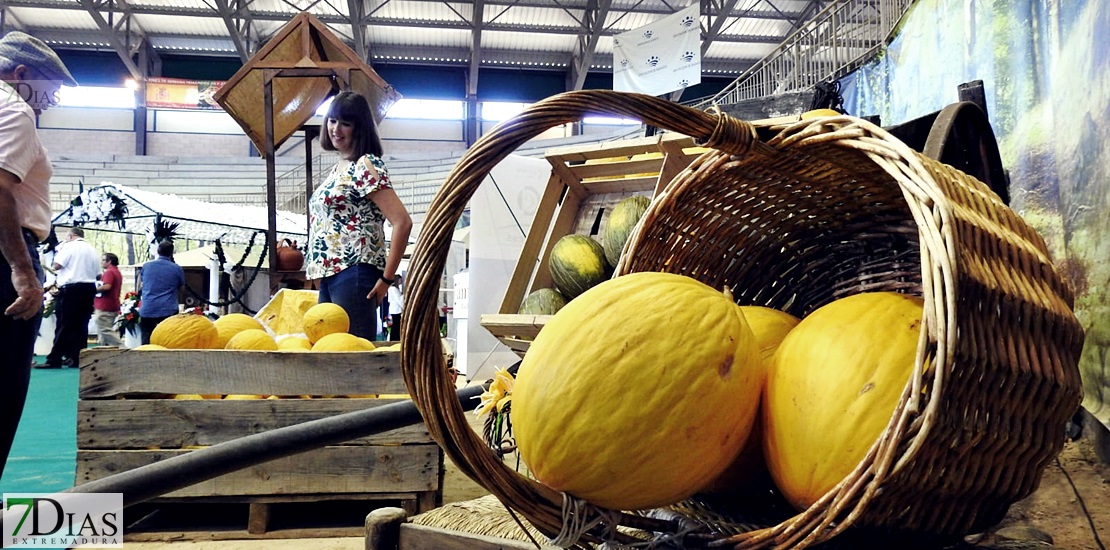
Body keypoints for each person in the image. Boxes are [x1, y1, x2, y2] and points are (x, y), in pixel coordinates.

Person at [0, 31, 76, 475]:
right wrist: (23, 272)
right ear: (22, 74)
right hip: (5, 253)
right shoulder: (14, 108)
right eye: (53, 88)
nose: (53, 100)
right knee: (5, 381)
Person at [305, 91, 412, 340]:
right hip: (332, 274)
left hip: (354, 270)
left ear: (359, 127)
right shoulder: (339, 167)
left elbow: (402, 222)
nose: (336, 128)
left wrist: (387, 278)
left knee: (352, 352)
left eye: (346, 123)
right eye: (332, 120)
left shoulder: (365, 165)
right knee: (330, 351)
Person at [44, 226, 100, 368]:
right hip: (88, 288)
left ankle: (54, 358)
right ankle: (77, 357)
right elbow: (98, 274)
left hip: (72, 288)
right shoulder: (92, 250)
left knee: (65, 323)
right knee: (81, 324)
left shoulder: (69, 247)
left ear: (70, 236)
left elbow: (57, 265)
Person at [139, 240, 185, 344]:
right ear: (171, 253)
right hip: (168, 309)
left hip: (148, 308)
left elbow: (141, 285)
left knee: (146, 340)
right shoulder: (176, 268)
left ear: (158, 251)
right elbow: (182, 288)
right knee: (168, 341)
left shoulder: (146, 266)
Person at [93, 252, 123, 346]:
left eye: (103, 260)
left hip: (105, 306)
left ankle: (121, 347)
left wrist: (93, 290)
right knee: (103, 333)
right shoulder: (117, 271)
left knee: (104, 329)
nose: (101, 262)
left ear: (109, 261)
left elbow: (107, 286)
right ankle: (103, 351)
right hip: (112, 305)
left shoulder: (109, 272)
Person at [385, 274, 403, 341]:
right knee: (396, 326)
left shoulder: (395, 289)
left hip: (397, 310)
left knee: (396, 325)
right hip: (396, 310)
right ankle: (394, 339)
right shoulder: (393, 289)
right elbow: (399, 300)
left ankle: (396, 338)